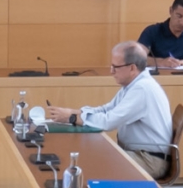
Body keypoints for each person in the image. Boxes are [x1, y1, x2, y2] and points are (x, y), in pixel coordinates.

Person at [46, 43, 173, 177]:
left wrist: (72, 118)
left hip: (149, 160)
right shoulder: (133, 85)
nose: (111, 71)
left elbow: (108, 121)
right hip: (140, 153)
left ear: (132, 68)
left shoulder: (142, 89)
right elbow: (107, 110)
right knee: (93, 155)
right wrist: (75, 113)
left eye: (116, 67)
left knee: (95, 161)